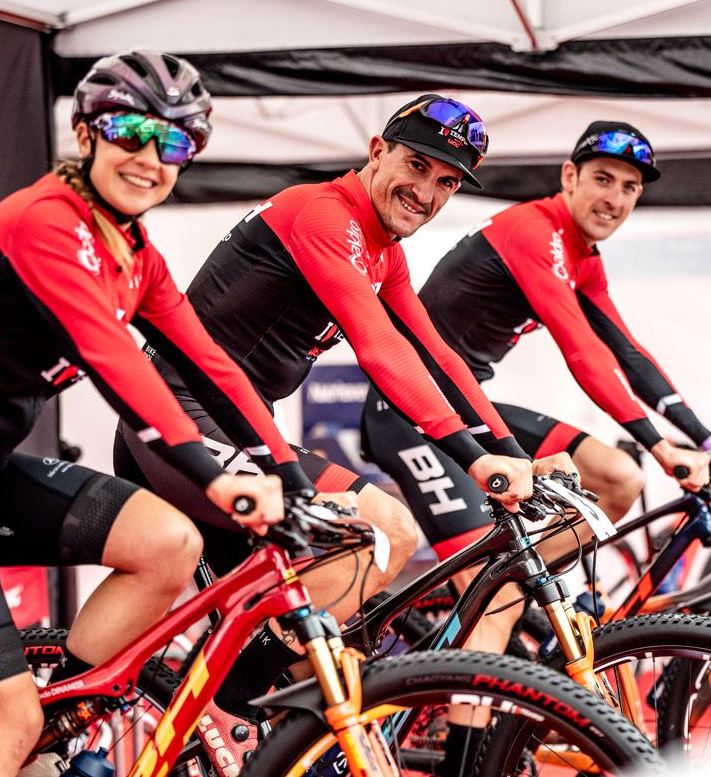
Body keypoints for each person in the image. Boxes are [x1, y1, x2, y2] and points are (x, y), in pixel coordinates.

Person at [0, 50, 303, 777]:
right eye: (131, 131)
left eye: (175, 142)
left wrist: (292, 473)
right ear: (86, 133)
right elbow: (119, 364)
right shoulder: (47, 221)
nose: (150, 156)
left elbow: (213, 367)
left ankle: (47, 735)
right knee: (1, 716)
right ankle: (15, 731)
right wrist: (215, 476)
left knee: (167, 544)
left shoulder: (133, 252)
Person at [114, 94, 568, 772]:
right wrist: (473, 458)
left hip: (235, 429)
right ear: (377, 151)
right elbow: (381, 350)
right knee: (385, 529)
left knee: (335, 654)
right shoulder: (323, 213)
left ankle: (242, 717)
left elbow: (437, 356)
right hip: (180, 424)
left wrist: (506, 447)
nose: (427, 191)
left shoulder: (384, 250)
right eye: (418, 164)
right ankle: (225, 697)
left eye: (446, 182)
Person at [362, 120, 711, 652]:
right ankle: (489, 634)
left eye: (629, 188)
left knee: (618, 478)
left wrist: (702, 440)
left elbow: (628, 353)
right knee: (498, 604)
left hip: (467, 402)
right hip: (406, 413)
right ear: (570, 176)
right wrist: (662, 447)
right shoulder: (533, 230)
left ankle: (518, 594)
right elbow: (582, 352)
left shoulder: (582, 257)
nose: (614, 198)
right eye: (603, 178)